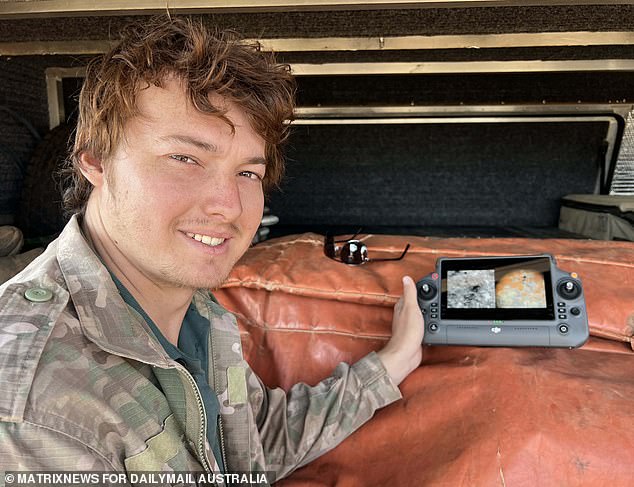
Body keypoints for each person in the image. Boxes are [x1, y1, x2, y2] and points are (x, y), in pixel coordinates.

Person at [0, 16, 423, 484]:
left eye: (248, 173)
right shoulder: (32, 410)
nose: (228, 206)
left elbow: (249, 444)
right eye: (185, 158)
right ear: (96, 162)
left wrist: (392, 364)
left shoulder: (191, 307)